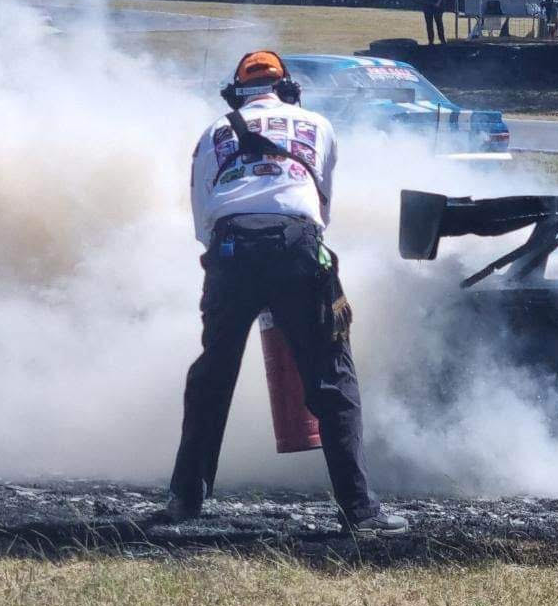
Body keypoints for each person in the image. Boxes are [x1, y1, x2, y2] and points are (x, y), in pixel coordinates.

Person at [167, 49, 409, 537]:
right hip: (297, 243)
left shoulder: (213, 131)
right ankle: (360, 513)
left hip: (231, 247)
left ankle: (184, 499)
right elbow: (321, 206)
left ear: (236, 94)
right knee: (332, 376)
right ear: (290, 89)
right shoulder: (318, 124)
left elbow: (202, 218)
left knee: (213, 375)